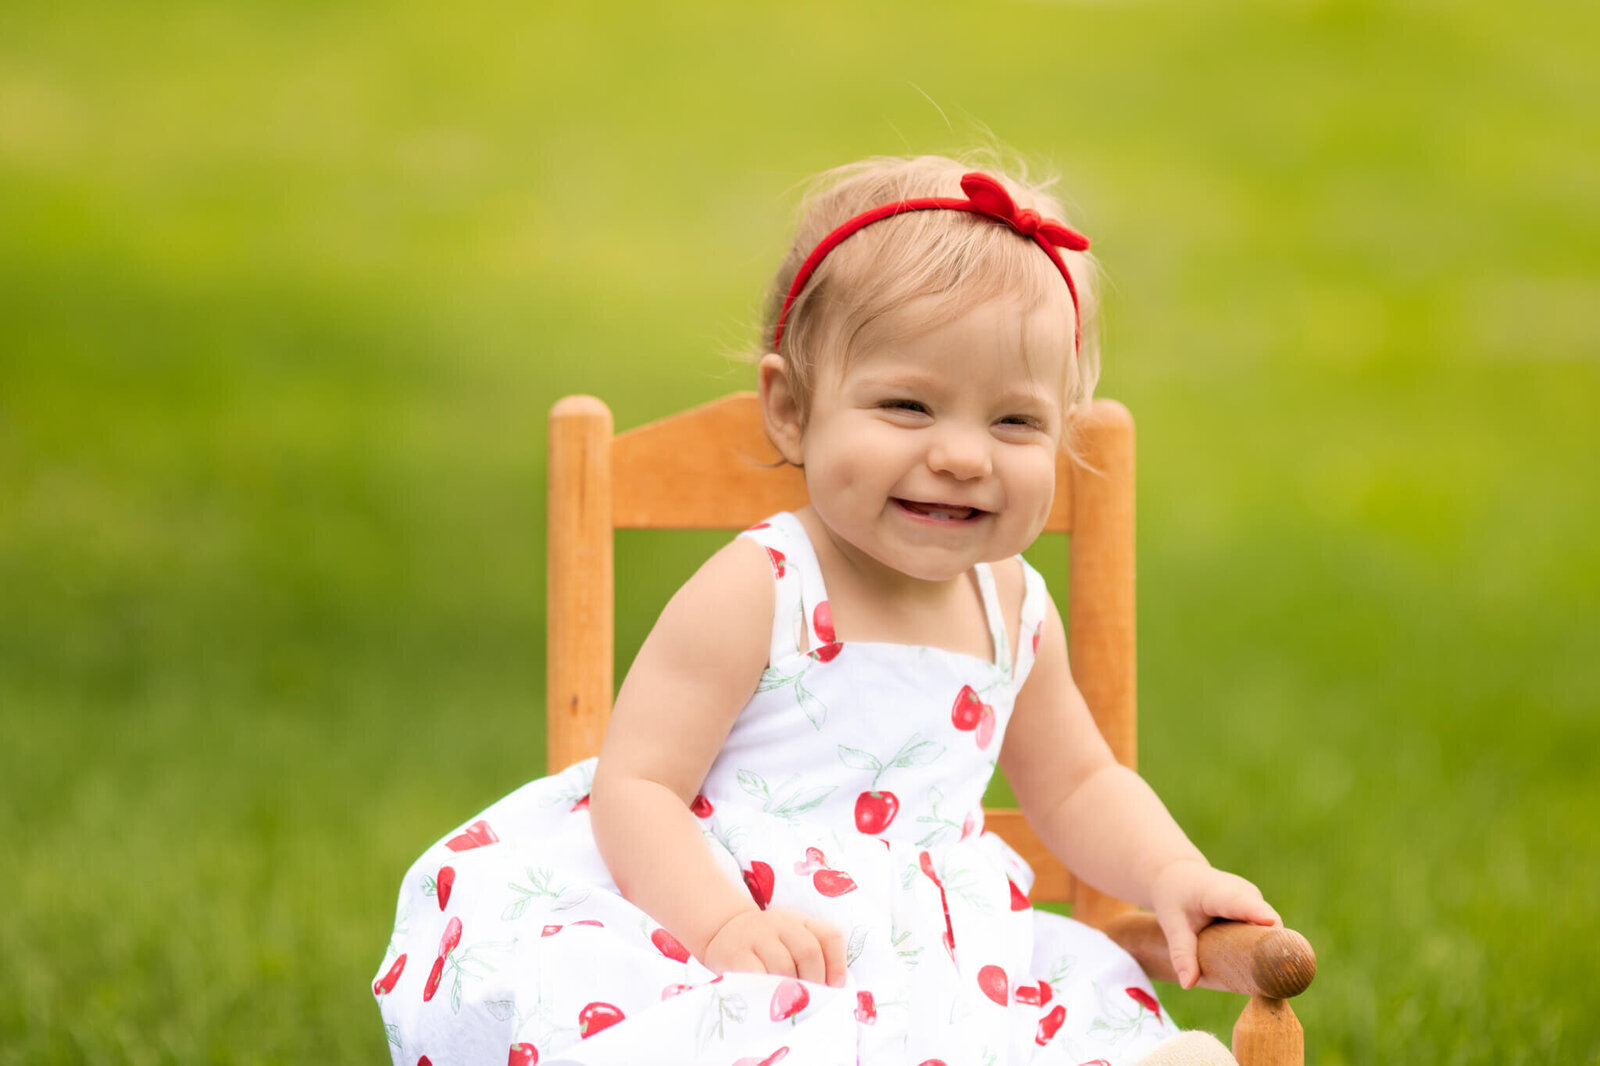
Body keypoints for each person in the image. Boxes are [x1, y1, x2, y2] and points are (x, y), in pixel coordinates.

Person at [372, 155, 1280, 1066]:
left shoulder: (1014, 608)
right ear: (792, 411)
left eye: (1015, 422)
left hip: (951, 972)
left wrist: (1171, 870)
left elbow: (1080, 785)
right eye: (908, 405)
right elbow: (637, 786)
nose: (963, 456)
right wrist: (727, 926)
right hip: (759, 946)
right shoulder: (762, 586)